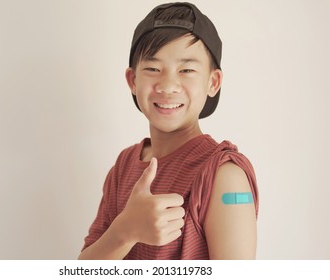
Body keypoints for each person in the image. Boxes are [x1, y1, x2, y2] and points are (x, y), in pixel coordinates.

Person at [78, 2, 259, 260]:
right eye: (153, 69)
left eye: (186, 70)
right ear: (132, 80)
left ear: (213, 82)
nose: (168, 85)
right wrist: (125, 231)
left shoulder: (224, 175)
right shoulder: (124, 165)